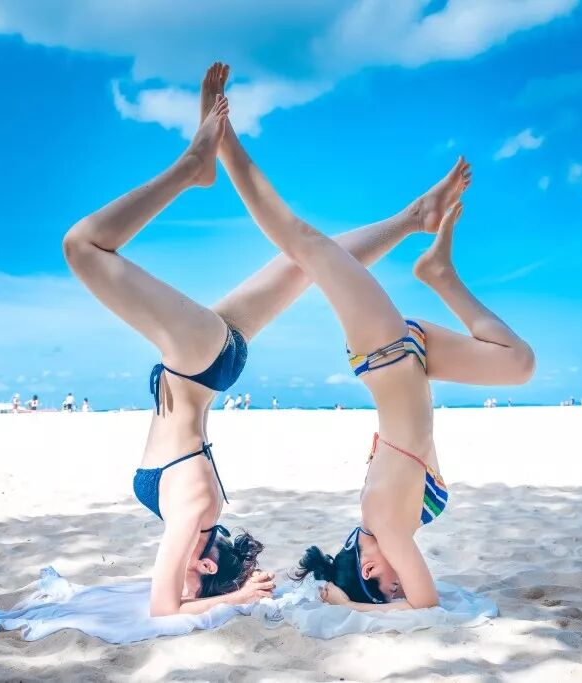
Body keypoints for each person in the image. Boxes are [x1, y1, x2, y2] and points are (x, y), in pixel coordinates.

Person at [62, 63, 469, 616]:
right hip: (195, 361)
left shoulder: (197, 513)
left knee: (306, 266)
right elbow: (164, 610)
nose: (179, 581)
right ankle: (190, 169)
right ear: (205, 567)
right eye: (191, 582)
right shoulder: (194, 510)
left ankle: (413, 218)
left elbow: (172, 600)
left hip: (205, 363)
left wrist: (227, 596)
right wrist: (230, 597)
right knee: (83, 248)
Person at [201, 63, 534, 611]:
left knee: (300, 239)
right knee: (520, 364)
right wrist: (358, 599)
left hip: (382, 352)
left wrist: (344, 601)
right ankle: (439, 274)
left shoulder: (383, 521)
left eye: (384, 584)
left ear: (367, 567)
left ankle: (223, 142)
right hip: (416, 356)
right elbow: (417, 599)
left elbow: (424, 606)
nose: (397, 583)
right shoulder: (394, 524)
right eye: (394, 588)